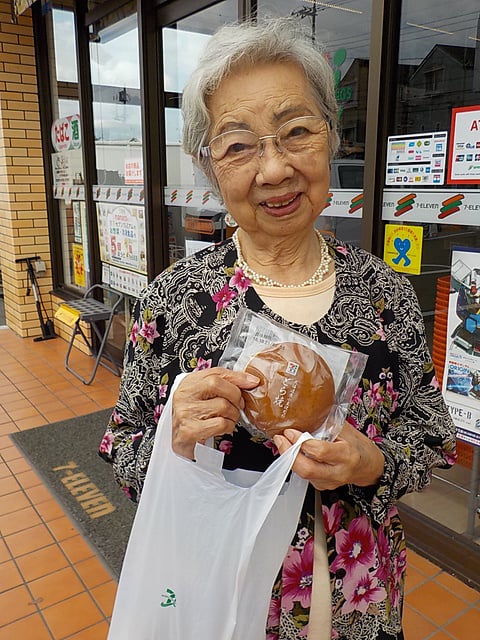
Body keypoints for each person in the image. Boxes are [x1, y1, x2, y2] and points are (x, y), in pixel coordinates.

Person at [99, 17, 457, 640]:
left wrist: (374, 462)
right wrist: (173, 439)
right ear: (210, 168)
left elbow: (432, 438)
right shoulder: (178, 299)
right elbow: (125, 451)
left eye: (296, 133)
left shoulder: (385, 294)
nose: (274, 170)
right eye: (239, 146)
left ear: (331, 138)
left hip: (364, 603)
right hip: (226, 607)